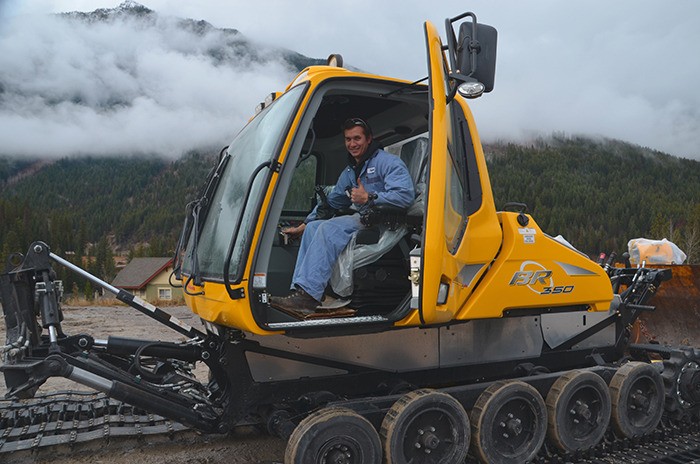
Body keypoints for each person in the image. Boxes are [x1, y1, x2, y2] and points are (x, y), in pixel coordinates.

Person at [270, 118, 415, 313]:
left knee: (328, 229)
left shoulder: (387, 162)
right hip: (364, 219)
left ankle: (309, 296)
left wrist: (370, 197)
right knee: (315, 227)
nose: (352, 144)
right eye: (348, 139)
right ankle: (310, 293)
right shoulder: (349, 172)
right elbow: (331, 203)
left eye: (357, 138)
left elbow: (405, 195)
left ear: (369, 139)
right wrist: (305, 224)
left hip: (385, 223)